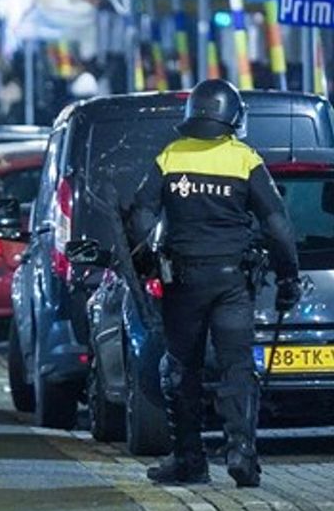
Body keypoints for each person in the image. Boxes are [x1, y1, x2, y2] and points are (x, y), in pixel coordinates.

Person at [125, 79, 300, 487]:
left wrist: (148, 255)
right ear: (234, 117)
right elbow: (277, 225)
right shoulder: (244, 159)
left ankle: (189, 460)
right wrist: (288, 275)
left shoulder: (171, 156)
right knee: (236, 366)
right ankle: (241, 451)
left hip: (183, 282)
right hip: (232, 283)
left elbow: (140, 214)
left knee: (181, 369)